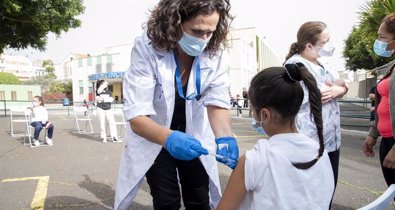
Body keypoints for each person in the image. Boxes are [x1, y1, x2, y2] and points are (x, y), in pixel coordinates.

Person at [115, 0, 238, 209]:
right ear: (174, 22)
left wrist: (224, 136)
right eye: (197, 31)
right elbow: (137, 116)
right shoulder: (147, 48)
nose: (204, 39)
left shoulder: (215, 53)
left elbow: (216, 101)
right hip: (155, 136)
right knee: (166, 200)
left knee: (199, 196)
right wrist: (168, 137)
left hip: (195, 136)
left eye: (211, 31)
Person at [217, 64, 334, 210]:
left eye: (253, 110)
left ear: (265, 115)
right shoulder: (320, 153)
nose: (253, 115)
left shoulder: (255, 160)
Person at [284, 21, 349, 206]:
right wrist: (336, 89)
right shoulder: (294, 68)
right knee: (311, 197)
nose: (329, 45)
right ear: (309, 45)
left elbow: (342, 84)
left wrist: (339, 90)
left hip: (332, 141)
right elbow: (311, 96)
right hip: (311, 144)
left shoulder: (322, 63)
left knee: (327, 193)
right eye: (325, 42)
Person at [363, 12, 395, 190]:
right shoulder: (392, 65)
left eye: (383, 37)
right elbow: (383, 104)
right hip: (387, 139)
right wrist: (373, 133)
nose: (379, 41)